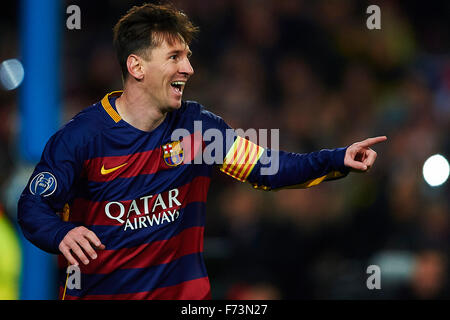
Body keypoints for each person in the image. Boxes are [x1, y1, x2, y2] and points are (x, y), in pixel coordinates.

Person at [17, 3, 386, 300]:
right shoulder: (82, 139)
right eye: (175, 57)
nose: (189, 68)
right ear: (137, 66)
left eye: (188, 56)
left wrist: (336, 158)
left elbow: (268, 168)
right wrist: (61, 233)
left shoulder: (197, 129)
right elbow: (32, 206)